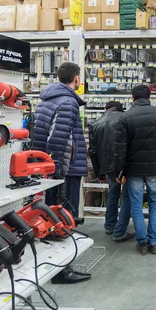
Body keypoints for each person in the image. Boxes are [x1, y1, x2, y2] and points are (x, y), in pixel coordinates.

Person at [32, 61, 91, 283]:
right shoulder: (68, 102)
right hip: (64, 170)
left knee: (52, 216)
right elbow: (60, 139)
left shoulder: (47, 100)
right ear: (76, 79)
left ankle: (53, 266)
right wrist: (59, 172)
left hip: (51, 168)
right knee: (65, 216)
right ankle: (63, 270)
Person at [114, 84, 156, 255]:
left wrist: (120, 171)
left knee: (136, 205)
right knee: (154, 203)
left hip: (134, 170)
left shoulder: (124, 118)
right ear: (150, 97)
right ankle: (154, 242)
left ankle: (142, 243)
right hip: (155, 168)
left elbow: (119, 149)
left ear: (132, 98)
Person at [88, 101, 134, 242]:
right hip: (126, 165)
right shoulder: (126, 119)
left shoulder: (95, 124)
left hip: (108, 166)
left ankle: (109, 225)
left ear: (105, 108)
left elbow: (93, 151)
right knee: (127, 196)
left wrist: (98, 172)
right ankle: (120, 230)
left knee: (113, 193)